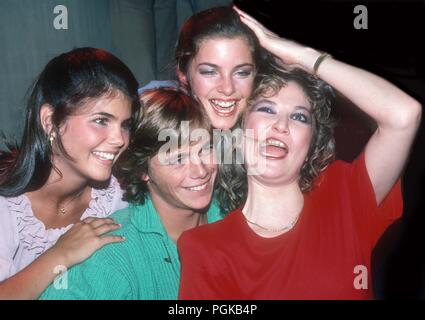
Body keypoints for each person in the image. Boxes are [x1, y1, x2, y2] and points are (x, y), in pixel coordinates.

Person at [177, 7, 422, 299]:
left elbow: (404, 114)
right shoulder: (204, 247)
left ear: (311, 144)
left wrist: (302, 55)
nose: (281, 125)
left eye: (299, 117)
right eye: (267, 110)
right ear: (240, 132)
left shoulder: (344, 196)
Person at [40, 88, 223, 300]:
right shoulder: (111, 251)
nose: (201, 171)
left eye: (206, 149)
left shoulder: (238, 216)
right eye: (178, 159)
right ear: (143, 170)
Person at [0, 47, 140, 299]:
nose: (120, 139)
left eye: (125, 125)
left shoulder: (114, 198)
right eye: (101, 120)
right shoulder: (7, 209)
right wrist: (60, 254)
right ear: (50, 121)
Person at [148, 6, 273, 130]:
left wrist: (291, 54)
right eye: (210, 72)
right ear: (183, 73)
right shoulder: (152, 118)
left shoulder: (270, 121)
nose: (227, 89)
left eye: (242, 73)